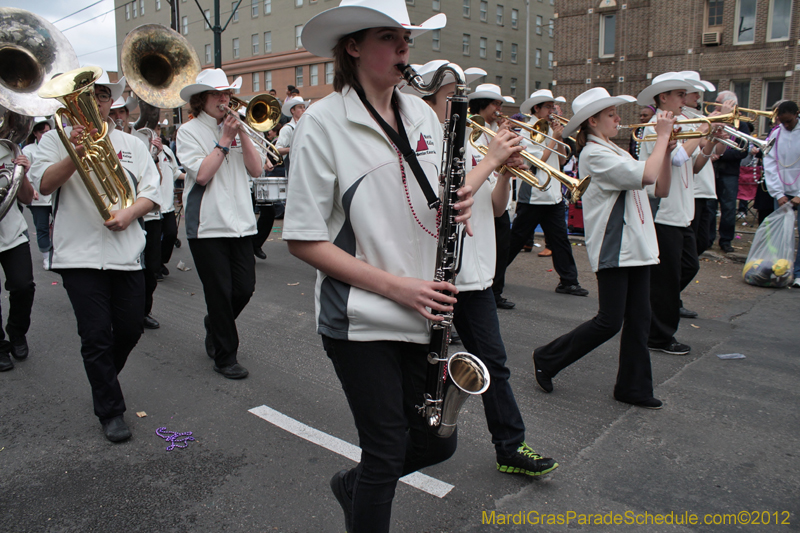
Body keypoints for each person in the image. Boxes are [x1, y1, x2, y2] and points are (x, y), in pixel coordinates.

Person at [284, 2, 474, 530]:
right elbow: (302, 240)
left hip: (423, 309)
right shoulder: (322, 123)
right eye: (390, 38)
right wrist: (399, 288)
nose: (404, 49)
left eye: (406, 39)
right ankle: (366, 491)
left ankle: (353, 485)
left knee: (437, 443)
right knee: (387, 452)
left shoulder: (419, 114)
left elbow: (430, 199)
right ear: (353, 47)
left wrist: (462, 201)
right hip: (360, 317)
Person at [407, 59, 559, 477]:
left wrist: (509, 173)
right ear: (426, 100)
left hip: (474, 277)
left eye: (463, 94)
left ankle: (510, 447)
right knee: (419, 365)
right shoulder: (418, 141)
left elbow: (492, 209)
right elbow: (443, 200)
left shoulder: (474, 141)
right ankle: (412, 440)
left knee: (494, 362)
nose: (461, 102)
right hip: (431, 275)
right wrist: (492, 161)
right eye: (451, 94)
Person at [31, 70, 161, 441]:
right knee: (95, 337)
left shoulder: (131, 144)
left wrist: (130, 213)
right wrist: (74, 152)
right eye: (91, 95)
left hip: (125, 252)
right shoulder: (56, 141)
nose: (97, 101)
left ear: (110, 104)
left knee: (131, 327)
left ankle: (103, 377)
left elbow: (152, 192)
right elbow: (42, 185)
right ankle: (110, 410)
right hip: (77, 256)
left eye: (102, 95)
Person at [533, 88, 678, 408]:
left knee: (640, 320)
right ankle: (547, 357)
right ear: (593, 121)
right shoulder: (594, 155)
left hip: (638, 245)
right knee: (609, 321)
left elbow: (661, 187)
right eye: (611, 113)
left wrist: (666, 150)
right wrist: (663, 138)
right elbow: (648, 173)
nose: (617, 118)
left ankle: (633, 388)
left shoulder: (616, 150)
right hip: (616, 247)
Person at [176, 68, 266, 380]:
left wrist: (241, 133)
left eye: (227, 94)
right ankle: (225, 357)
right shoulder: (187, 132)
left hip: (240, 222)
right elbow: (201, 175)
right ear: (201, 100)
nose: (225, 100)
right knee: (219, 292)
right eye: (217, 94)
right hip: (207, 225)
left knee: (244, 288)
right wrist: (225, 139)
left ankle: (214, 324)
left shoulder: (235, 128)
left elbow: (256, 170)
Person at [636, 72, 720, 356]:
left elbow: (693, 166)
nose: (685, 100)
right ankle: (659, 335)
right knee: (668, 278)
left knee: (688, 267)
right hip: (664, 212)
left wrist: (709, 142)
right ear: (664, 98)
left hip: (682, 211)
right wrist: (702, 131)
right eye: (680, 95)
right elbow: (676, 158)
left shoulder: (683, 123)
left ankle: (652, 308)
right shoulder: (653, 127)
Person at [506, 89, 590, 298]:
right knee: (516, 239)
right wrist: (554, 138)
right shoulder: (526, 130)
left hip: (553, 195)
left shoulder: (551, 129)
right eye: (549, 107)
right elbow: (536, 161)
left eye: (553, 107)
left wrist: (559, 141)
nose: (553, 111)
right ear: (537, 108)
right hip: (534, 194)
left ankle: (569, 281)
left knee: (561, 240)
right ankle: (493, 274)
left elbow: (561, 161)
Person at [466, 83, 515, 309]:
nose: (499, 108)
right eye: (496, 103)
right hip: (475, 202)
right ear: (483, 104)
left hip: (495, 195)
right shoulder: (472, 130)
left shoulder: (494, 129)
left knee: (501, 248)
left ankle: (494, 290)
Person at [0, 140, 36, 373]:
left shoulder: (7, 149)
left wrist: (21, 173)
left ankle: (17, 332)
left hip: (12, 233)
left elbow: (26, 198)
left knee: (23, 286)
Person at [762, 100, 800, 287]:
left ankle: (799, 273)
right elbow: (769, 162)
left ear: (797, 114)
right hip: (782, 191)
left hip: (799, 190)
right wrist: (778, 193)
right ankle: (779, 269)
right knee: (780, 232)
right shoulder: (776, 133)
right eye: (782, 122)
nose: (785, 125)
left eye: (789, 122)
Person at [710, 90, 750, 254]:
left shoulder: (742, 124)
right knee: (710, 207)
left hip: (729, 172)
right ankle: (708, 238)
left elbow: (743, 150)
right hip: (713, 170)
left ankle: (726, 240)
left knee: (728, 208)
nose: (715, 105)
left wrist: (720, 154)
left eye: (718, 102)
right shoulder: (714, 120)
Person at [23, 116, 55, 268]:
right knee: (42, 227)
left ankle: (58, 253)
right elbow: (25, 172)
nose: (45, 134)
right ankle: (46, 257)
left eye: (48, 131)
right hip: (38, 198)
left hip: (55, 196)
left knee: (59, 226)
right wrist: (32, 189)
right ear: (35, 133)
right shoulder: (28, 150)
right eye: (42, 132)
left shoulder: (55, 146)